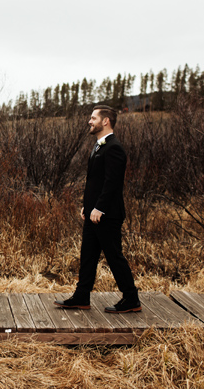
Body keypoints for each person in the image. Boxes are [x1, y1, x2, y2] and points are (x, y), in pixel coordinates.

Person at [55, 105, 141, 313]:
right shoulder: (98, 147)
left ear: (106, 121)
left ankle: (131, 299)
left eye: (93, 118)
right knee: (88, 256)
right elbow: (95, 182)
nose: (89, 121)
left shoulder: (114, 148)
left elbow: (112, 182)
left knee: (114, 257)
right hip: (93, 214)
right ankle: (81, 297)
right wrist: (87, 206)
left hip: (107, 215)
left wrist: (100, 208)